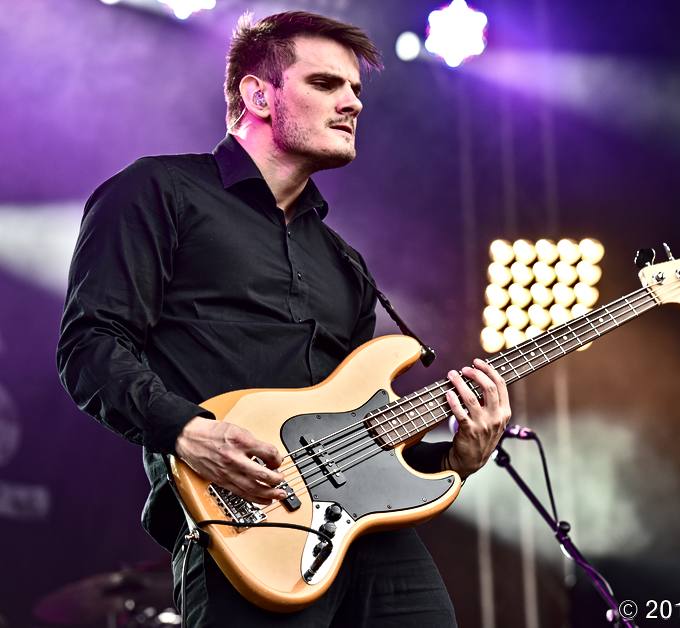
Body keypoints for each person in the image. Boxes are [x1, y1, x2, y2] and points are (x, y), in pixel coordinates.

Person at [56, 10, 511, 627]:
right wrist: (187, 431)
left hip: (368, 538)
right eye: (325, 83)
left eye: (355, 89)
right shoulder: (158, 191)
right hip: (243, 527)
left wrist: (453, 460)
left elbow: (362, 436)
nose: (352, 102)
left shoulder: (345, 265)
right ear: (258, 94)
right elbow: (90, 345)